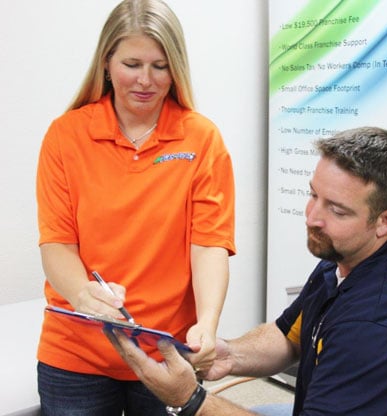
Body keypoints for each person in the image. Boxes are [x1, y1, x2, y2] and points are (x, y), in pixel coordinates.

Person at [106, 126, 387, 415]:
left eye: (337, 210)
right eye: (313, 195)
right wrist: (229, 355)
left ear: (385, 221)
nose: (312, 217)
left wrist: (190, 399)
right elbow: (288, 337)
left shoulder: (377, 326)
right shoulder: (343, 261)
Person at [35, 0, 236, 414]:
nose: (146, 80)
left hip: (167, 351)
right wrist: (84, 295)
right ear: (106, 64)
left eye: (160, 66)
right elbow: (57, 244)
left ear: (176, 69)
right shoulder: (66, 135)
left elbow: (209, 244)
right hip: (76, 353)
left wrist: (208, 322)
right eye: (132, 64)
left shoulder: (201, 139)